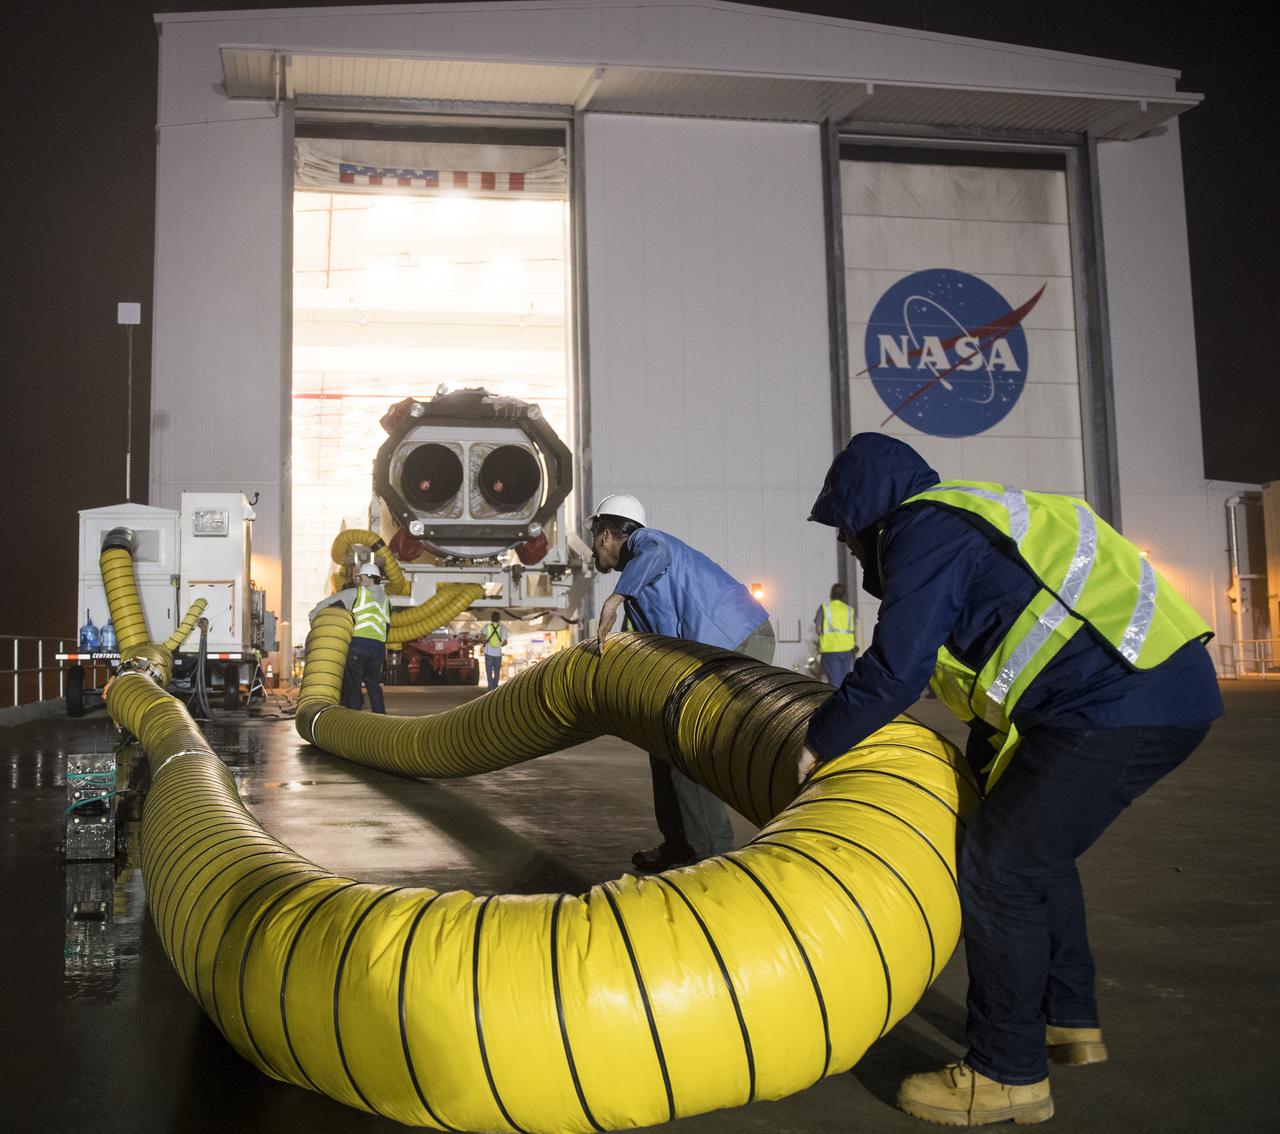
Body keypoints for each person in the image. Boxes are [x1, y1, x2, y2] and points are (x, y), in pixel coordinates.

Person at [796, 433, 1222, 1127]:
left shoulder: (924, 527)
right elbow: (1000, 691)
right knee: (1030, 844)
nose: (847, 545)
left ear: (872, 512)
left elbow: (897, 669)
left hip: (1115, 699)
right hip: (1152, 687)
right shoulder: (976, 524)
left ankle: (1005, 1074)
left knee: (1002, 868)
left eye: (847, 529)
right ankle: (1067, 1018)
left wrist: (818, 743)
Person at [590, 493, 775, 872]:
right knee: (661, 744)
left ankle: (712, 857)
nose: (594, 551)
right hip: (705, 657)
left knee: (688, 748)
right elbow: (641, 644)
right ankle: (679, 845)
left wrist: (614, 599)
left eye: (595, 540)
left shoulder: (648, 543)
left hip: (738, 642)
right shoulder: (639, 586)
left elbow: (656, 550)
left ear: (608, 534)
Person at [309, 559, 390, 713]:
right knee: (374, 685)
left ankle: (353, 722)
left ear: (369, 577)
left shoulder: (356, 593)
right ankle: (382, 719)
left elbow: (328, 602)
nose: (359, 580)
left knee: (353, 684)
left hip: (359, 645)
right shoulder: (386, 599)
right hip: (379, 648)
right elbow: (387, 626)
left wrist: (313, 615)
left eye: (361, 577)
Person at [814, 582, 857, 685]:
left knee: (834, 683)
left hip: (831, 650)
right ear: (844, 596)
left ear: (831, 594)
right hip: (847, 651)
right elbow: (854, 630)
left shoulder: (825, 608)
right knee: (845, 682)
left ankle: (835, 701)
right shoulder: (849, 610)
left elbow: (818, 629)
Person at [481, 610, 508, 690]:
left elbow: (482, 638)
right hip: (498, 653)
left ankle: (490, 686)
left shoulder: (486, 626)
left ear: (491, 618)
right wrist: (499, 645)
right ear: (499, 618)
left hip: (488, 652)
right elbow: (505, 642)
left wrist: (485, 642)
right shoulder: (502, 627)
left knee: (489, 671)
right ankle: (495, 686)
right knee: (497, 671)